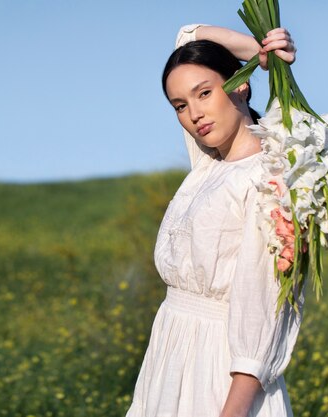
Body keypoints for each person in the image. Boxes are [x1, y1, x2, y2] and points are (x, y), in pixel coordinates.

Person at [125, 24, 304, 417]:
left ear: (240, 85)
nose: (194, 114)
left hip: (219, 377)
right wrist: (259, 53)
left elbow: (264, 311)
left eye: (205, 93)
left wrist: (233, 411)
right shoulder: (208, 162)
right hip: (169, 363)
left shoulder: (270, 178)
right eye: (179, 106)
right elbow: (186, 41)